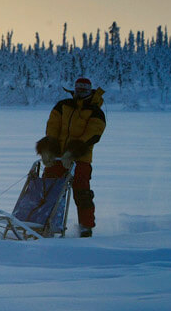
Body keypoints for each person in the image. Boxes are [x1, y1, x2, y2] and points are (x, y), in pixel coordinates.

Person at [36, 77, 106, 237]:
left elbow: (93, 135)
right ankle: (44, 223)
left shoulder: (96, 111)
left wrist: (73, 152)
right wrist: (48, 149)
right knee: (48, 189)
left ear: (90, 90)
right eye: (78, 88)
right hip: (58, 157)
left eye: (85, 89)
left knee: (82, 193)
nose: (81, 91)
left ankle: (85, 228)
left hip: (80, 159)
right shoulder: (63, 106)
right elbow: (52, 128)